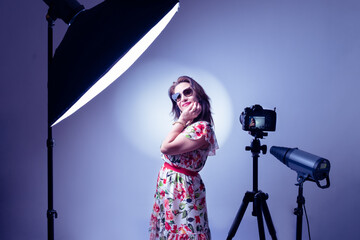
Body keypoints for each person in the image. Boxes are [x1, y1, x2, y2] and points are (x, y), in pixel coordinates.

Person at [149, 76, 219, 240]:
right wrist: (183, 121)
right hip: (170, 188)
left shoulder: (202, 127)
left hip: (182, 189)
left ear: (198, 95)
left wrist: (181, 120)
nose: (182, 98)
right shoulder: (187, 126)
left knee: (184, 233)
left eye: (187, 92)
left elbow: (166, 147)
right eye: (177, 97)